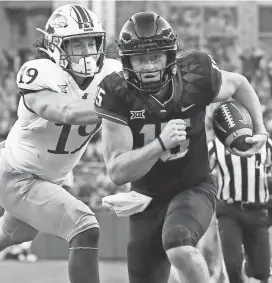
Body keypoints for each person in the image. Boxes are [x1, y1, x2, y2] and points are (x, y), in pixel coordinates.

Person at [94, 12, 269, 283]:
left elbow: (239, 84)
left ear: (170, 56)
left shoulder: (195, 74)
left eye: (155, 57)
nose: (149, 66)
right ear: (127, 61)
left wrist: (260, 129)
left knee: (180, 247)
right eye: (140, 59)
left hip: (193, 186)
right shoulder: (117, 91)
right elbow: (117, 172)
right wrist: (159, 145)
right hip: (145, 198)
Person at [0, 4, 121, 283]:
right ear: (56, 47)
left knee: (11, 235)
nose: (87, 51)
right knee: (85, 227)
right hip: (16, 174)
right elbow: (66, 111)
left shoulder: (111, 74)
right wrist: (121, 106)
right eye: (77, 44)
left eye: (91, 42)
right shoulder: (41, 72)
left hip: (49, 180)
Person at [208, 137, 272, 283]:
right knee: (233, 266)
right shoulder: (216, 144)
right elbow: (200, 173)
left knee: (261, 271)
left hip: (258, 211)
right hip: (229, 211)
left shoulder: (265, 142)